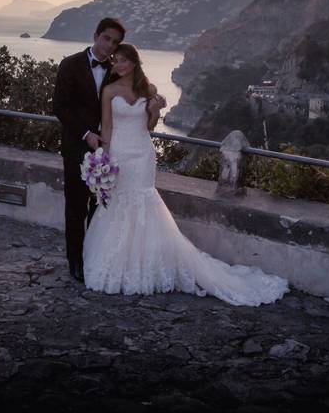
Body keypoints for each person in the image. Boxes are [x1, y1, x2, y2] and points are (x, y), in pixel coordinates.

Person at [83, 43, 289, 306]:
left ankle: (149, 264)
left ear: (134, 62)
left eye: (123, 60)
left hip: (143, 154)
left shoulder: (149, 89)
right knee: (119, 202)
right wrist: (104, 160)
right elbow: (107, 128)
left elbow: (149, 124)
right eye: (115, 61)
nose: (118, 65)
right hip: (119, 155)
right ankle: (118, 263)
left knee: (145, 200)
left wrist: (155, 109)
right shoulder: (109, 91)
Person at [52, 18, 165, 282]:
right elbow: (60, 107)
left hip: (113, 149)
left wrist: (156, 101)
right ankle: (76, 262)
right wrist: (87, 135)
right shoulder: (70, 65)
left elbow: (137, 94)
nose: (109, 46)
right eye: (106, 39)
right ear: (96, 36)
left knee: (102, 208)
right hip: (78, 146)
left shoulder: (116, 72)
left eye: (115, 43)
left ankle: (96, 257)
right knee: (76, 207)